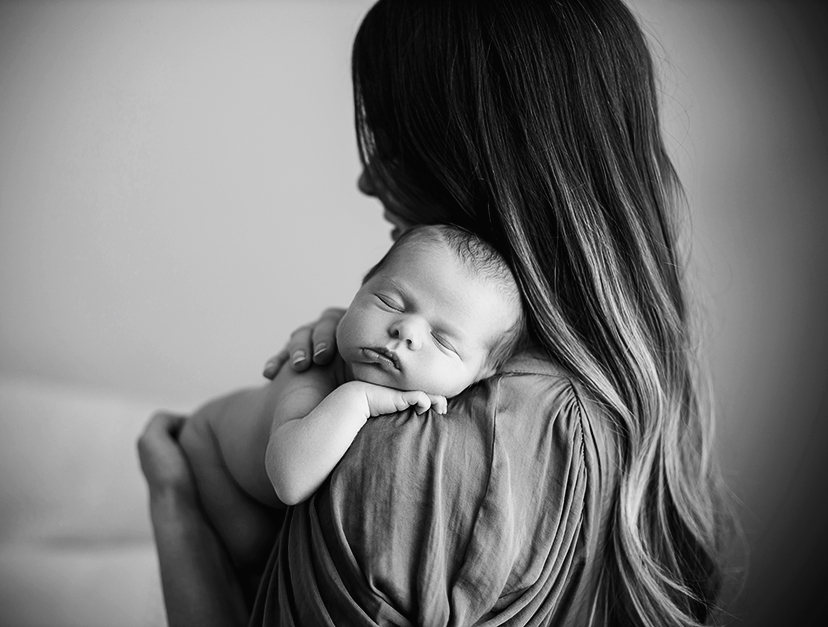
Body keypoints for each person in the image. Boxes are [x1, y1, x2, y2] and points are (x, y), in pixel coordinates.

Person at [138, 1, 733, 625]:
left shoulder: (424, 449)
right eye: (392, 303)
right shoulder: (616, 406)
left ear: (478, 163)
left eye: (394, 145)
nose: (370, 181)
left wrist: (176, 506)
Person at [177, 224, 523, 592]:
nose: (406, 330)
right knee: (252, 550)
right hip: (208, 445)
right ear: (358, 291)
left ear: (483, 373)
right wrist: (360, 398)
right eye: (390, 302)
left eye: (442, 340)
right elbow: (290, 479)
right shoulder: (312, 376)